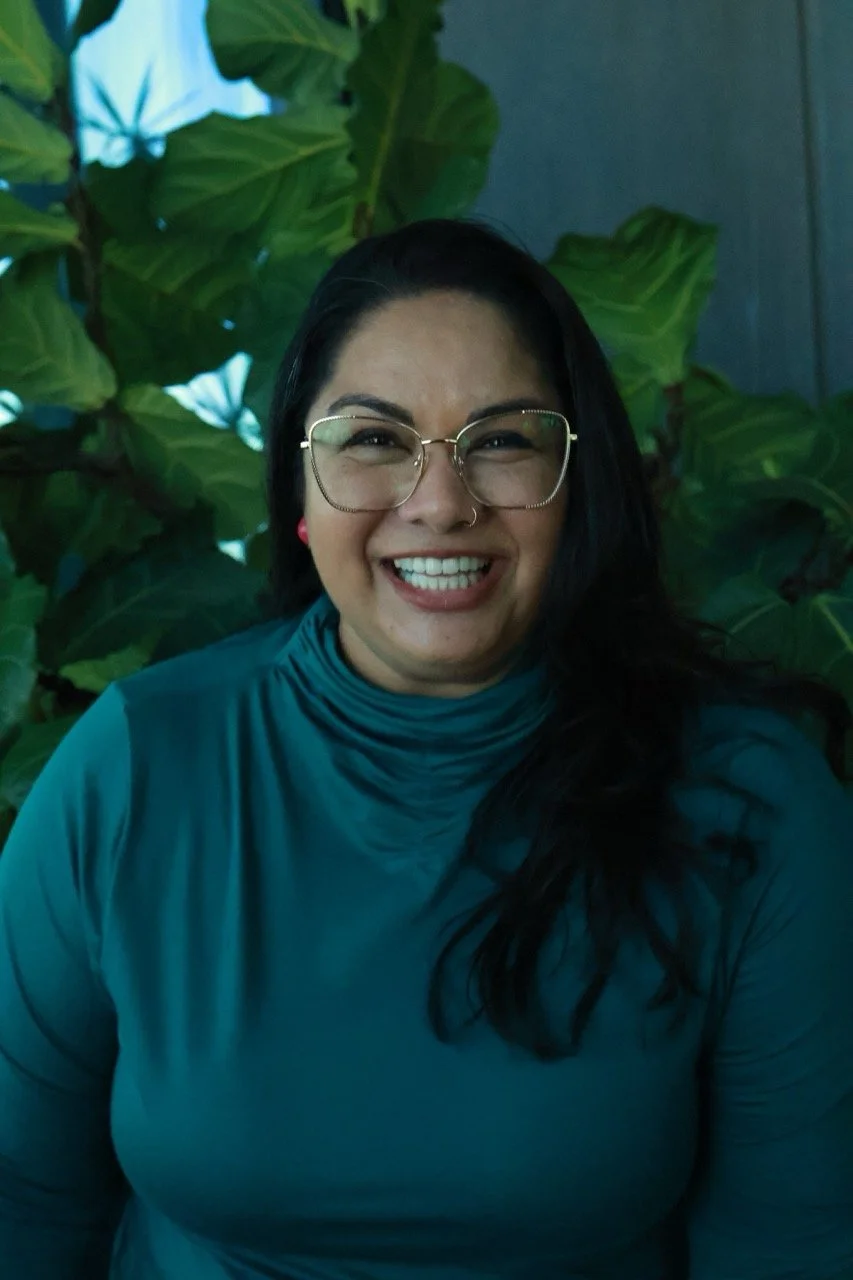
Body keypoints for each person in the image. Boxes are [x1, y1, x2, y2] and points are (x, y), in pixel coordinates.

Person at [0, 219, 851, 1280]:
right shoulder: (130, 770)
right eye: (372, 439)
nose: (440, 501)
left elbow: (793, 1247)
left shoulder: (751, 804)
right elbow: (21, 1211)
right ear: (299, 496)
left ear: (575, 484)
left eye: (501, 439)